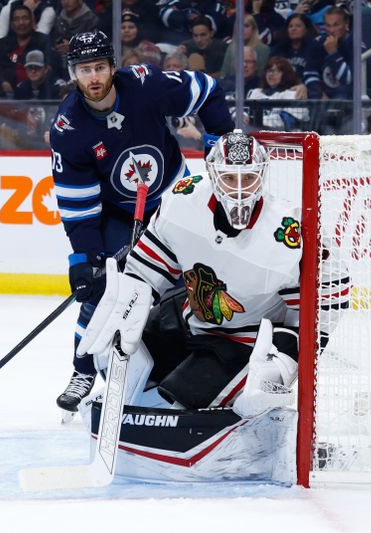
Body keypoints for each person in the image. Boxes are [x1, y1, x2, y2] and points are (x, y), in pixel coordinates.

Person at [50, 30, 233, 417]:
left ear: (113, 67)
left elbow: (209, 90)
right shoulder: (69, 129)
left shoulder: (146, 86)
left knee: (203, 279)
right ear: (74, 74)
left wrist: (219, 142)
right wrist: (85, 259)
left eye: (100, 67)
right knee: (103, 290)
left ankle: (208, 365)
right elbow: (77, 204)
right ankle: (83, 371)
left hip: (177, 198)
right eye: (85, 70)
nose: (94, 77)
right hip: (119, 212)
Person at [74, 130, 307, 417]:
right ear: (211, 173)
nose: (238, 190)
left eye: (247, 178)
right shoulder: (184, 199)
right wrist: (127, 299)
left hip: (244, 342)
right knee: (118, 357)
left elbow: (320, 304)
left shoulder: (283, 233)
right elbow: (148, 268)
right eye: (229, 178)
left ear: (262, 175)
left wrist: (286, 358)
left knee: (185, 394)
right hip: (192, 321)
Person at [246, 56, 309, 129]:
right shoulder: (255, 92)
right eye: (269, 70)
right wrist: (243, 117)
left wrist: (256, 120)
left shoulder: (294, 94)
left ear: (286, 74)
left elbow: (286, 121)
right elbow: (244, 112)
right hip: (255, 135)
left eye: (276, 71)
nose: (271, 74)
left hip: (283, 138)